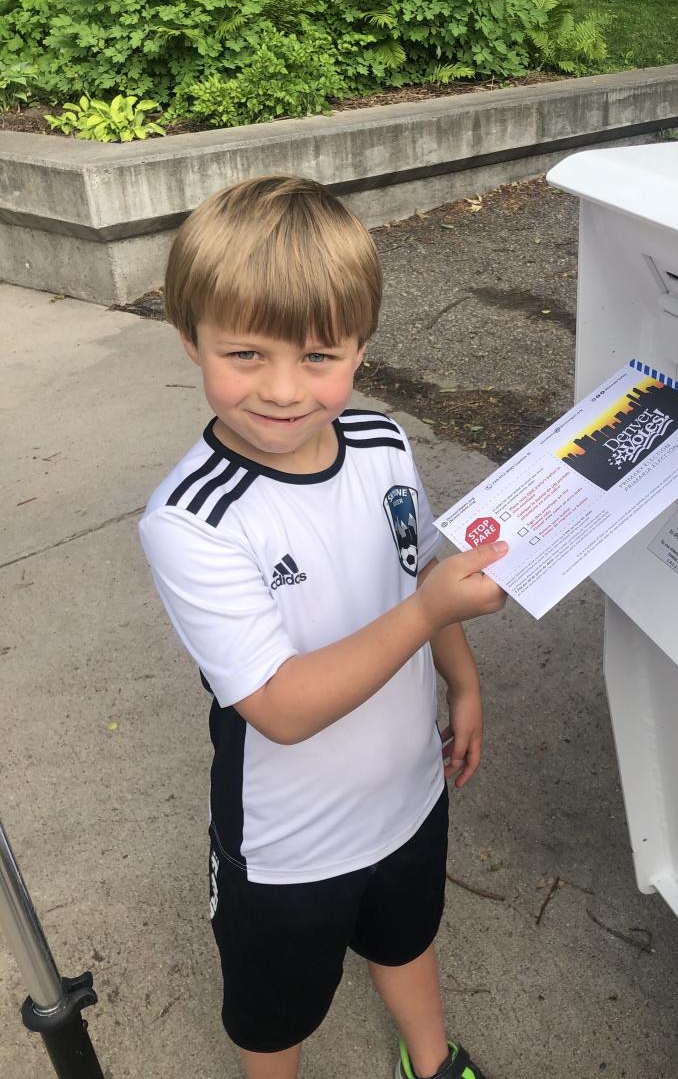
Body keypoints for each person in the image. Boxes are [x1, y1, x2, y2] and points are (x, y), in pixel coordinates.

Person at [139, 175, 508, 1079]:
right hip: (288, 845)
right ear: (189, 338)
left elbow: (417, 564)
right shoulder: (194, 520)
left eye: (318, 356)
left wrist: (460, 677)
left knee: (408, 939)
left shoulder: (383, 445)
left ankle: (432, 1061)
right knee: (274, 1017)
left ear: (360, 347)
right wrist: (431, 612)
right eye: (246, 354)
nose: (282, 389)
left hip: (409, 793)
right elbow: (280, 706)